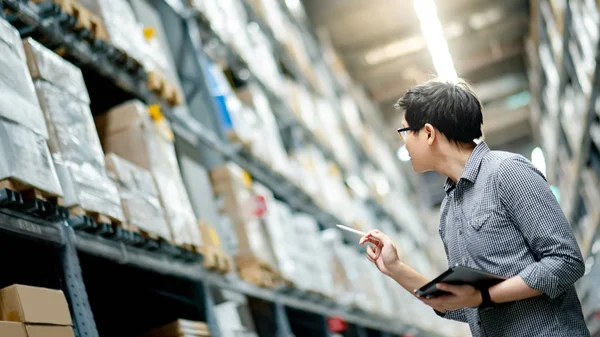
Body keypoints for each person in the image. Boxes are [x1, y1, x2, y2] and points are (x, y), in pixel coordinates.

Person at [359, 79, 590, 337]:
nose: (403, 143)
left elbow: (566, 262)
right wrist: (396, 268)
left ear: (428, 133)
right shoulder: (448, 209)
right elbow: (464, 305)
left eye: (404, 132)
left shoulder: (507, 172)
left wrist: (483, 296)